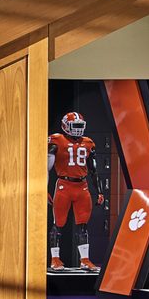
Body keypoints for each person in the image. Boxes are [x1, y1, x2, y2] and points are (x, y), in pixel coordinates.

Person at [48, 111, 102, 271]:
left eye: (80, 126)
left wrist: (99, 191)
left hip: (82, 187)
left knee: (83, 224)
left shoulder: (88, 142)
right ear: (66, 126)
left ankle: (85, 259)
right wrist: (44, 189)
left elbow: (93, 169)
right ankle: (55, 259)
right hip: (64, 185)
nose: (78, 129)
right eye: (75, 126)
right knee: (58, 223)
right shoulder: (57, 140)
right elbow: (46, 168)